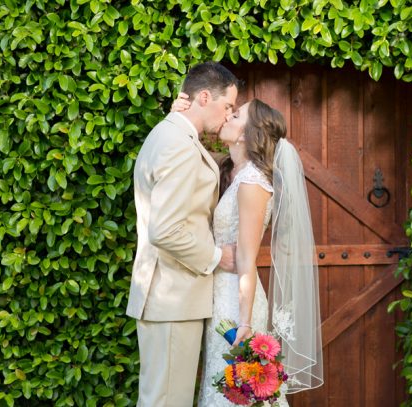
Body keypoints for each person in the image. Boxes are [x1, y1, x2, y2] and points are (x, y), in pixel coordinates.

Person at [172, 96, 324, 405]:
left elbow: (246, 259)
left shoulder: (253, 182)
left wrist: (245, 322)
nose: (227, 116)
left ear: (248, 133)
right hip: (217, 295)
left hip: (235, 302)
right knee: (220, 388)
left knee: (233, 392)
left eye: (236, 114)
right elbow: (188, 155)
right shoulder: (230, 171)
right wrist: (178, 116)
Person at [126, 62, 240, 407]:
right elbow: (166, 229)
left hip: (169, 298)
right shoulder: (177, 143)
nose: (229, 115)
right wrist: (219, 257)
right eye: (229, 107)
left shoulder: (173, 134)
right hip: (172, 297)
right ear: (205, 97)